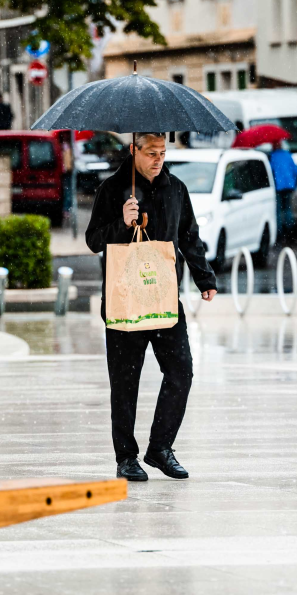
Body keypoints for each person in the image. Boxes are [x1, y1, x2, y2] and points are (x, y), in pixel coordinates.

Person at [86, 132, 217, 482]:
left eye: (162, 152)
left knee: (181, 372)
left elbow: (189, 236)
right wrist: (122, 222)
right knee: (125, 383)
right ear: (134, 150)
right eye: (151, 153)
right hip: (123, 301)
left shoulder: (176, 189)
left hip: (163, 298)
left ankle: (160, 448)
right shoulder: (113, 190)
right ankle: (126, 458)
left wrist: (205, 278)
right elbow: (93, 240)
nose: (158, 159)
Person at [269, 141, 297, 232]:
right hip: (289, 185)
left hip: (278, 186)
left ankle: (280, 231)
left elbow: (271, 171)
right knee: (287, 208)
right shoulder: (287, 155)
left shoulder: (273, 156)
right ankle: (289, 229)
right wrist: (295, 183)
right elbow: (295, 170)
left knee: (278, 209)